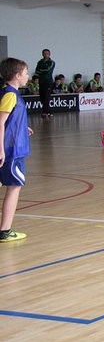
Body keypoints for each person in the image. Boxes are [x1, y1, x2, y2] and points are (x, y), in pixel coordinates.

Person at [0, 58, 34, 242]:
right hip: (11, 151)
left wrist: (22, 128)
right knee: (14, 187)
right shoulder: (10, 95)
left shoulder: (6, 93)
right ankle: (5, 230)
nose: (28, 76)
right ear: (17, 75)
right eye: (26, 73)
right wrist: (1, 150)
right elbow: (0, 122)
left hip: (10, 147)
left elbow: (9, 120)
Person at [34, 48, 55, 118]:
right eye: (44, 53)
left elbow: (48, 70)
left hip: (48, 82)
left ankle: (44, 112)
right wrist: (42, 71)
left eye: (47, 53)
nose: (46, 55)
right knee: (42, 97)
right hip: (41, 82)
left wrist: (41, 70)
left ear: (49, 54)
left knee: (46, 97)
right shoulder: (40, 62)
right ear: (42, 54)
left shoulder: (51, 62)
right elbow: (36, 71)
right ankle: (49, 111)